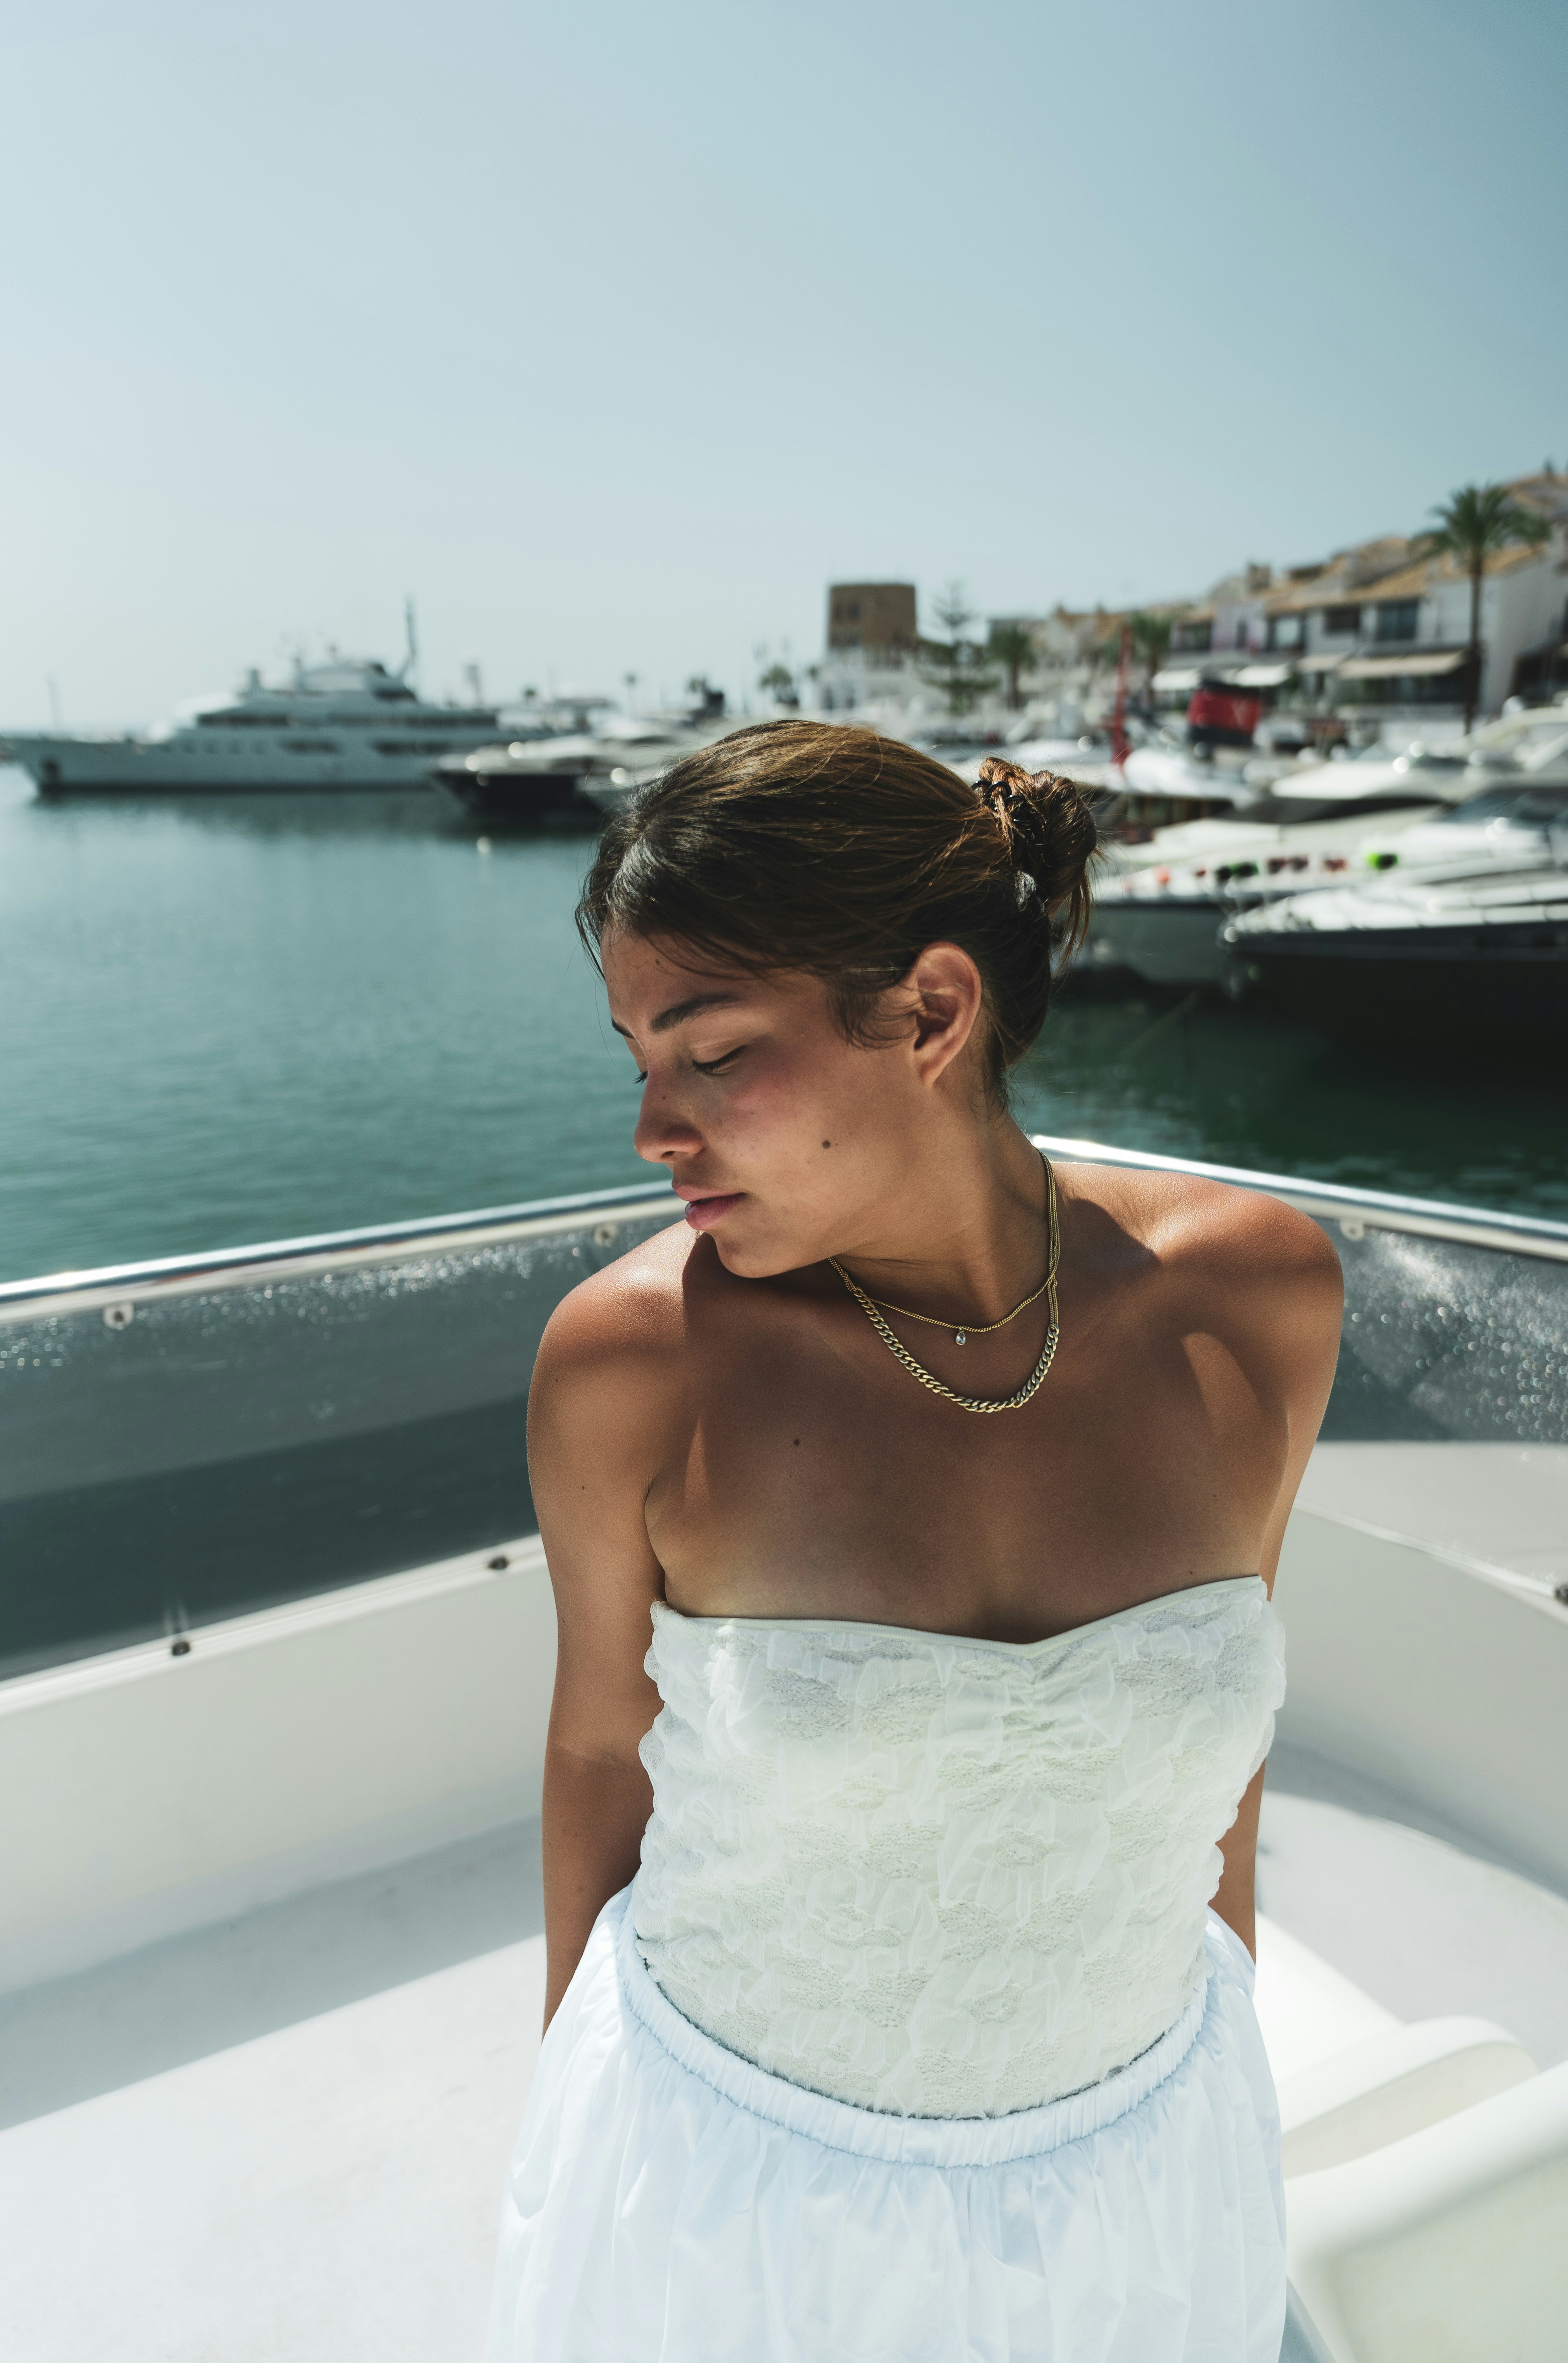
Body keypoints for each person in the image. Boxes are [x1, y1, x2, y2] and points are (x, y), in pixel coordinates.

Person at [488, 721, 1343, 2362]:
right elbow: (601, 1746)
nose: (653, 1132)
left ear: (933, 1012)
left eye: (711, 1053)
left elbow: (1223, 1757)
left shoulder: (1259, 1303)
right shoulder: (629, 1364)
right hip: (735, 2199)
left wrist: (1214, 2076)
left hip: (1141, 2180)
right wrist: (568, 2126)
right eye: (638, 1061)